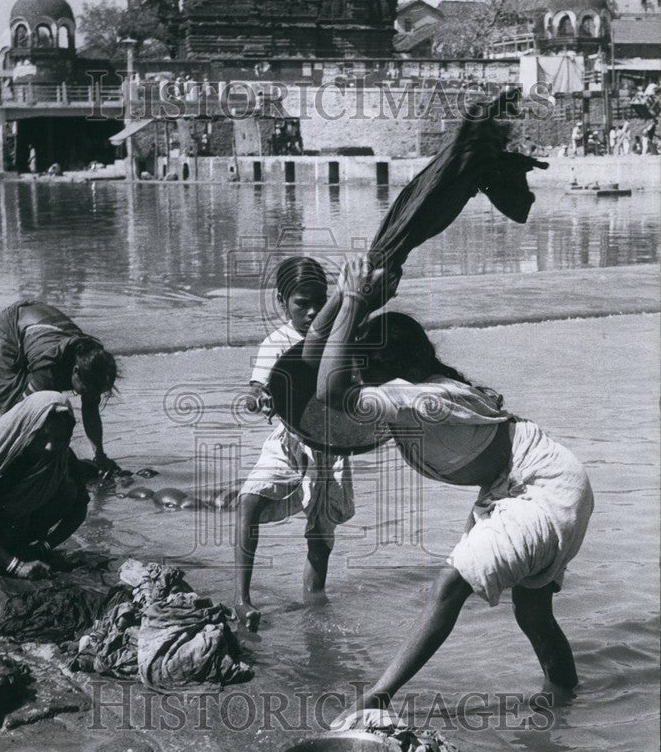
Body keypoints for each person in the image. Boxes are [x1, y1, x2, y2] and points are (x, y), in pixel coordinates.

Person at [317, 258, 594, 718]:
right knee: (534, 615)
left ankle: (376, 698)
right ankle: (566, 704)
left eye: (366, 369)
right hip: (536, 479)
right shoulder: (414, 392)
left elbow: (330, 392)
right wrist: (362, 305)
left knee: (449, 583)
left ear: (391, 368)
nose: (360, 379)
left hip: (543, 486)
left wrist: (351, 300)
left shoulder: (421, 397)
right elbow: (321, 372)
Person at [234, 257, 355, 630]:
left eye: (320, 300)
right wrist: (258, 401)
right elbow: (256, 390)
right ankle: (241, 598)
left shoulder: (341, 336)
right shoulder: (277, 343)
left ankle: (314, 604)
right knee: (250, 500)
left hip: (331, 444)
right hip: (289, 439)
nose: (313, 310)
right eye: (302, 303)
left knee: (320, 532)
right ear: (282, 301)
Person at [0, 392, 89, 580]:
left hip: (13, 527)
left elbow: (79, 509)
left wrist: (43, 547)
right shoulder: (7, 460)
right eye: (42, 437)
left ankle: (8, 550)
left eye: (60, 439)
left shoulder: (64, 459)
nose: (51, 447)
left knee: (69, 490)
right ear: (27, 429)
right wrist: (16, 566)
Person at [0, 300, 119, 475]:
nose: (88, 395)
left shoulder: (93, 360)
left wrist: (100, 455)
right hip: (7, 329)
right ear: (75, 371)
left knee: (52, 413)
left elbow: (90, 411)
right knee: (15, 408)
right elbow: (21, 416)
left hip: (37, 324)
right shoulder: (49, 369)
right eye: (85, 390)